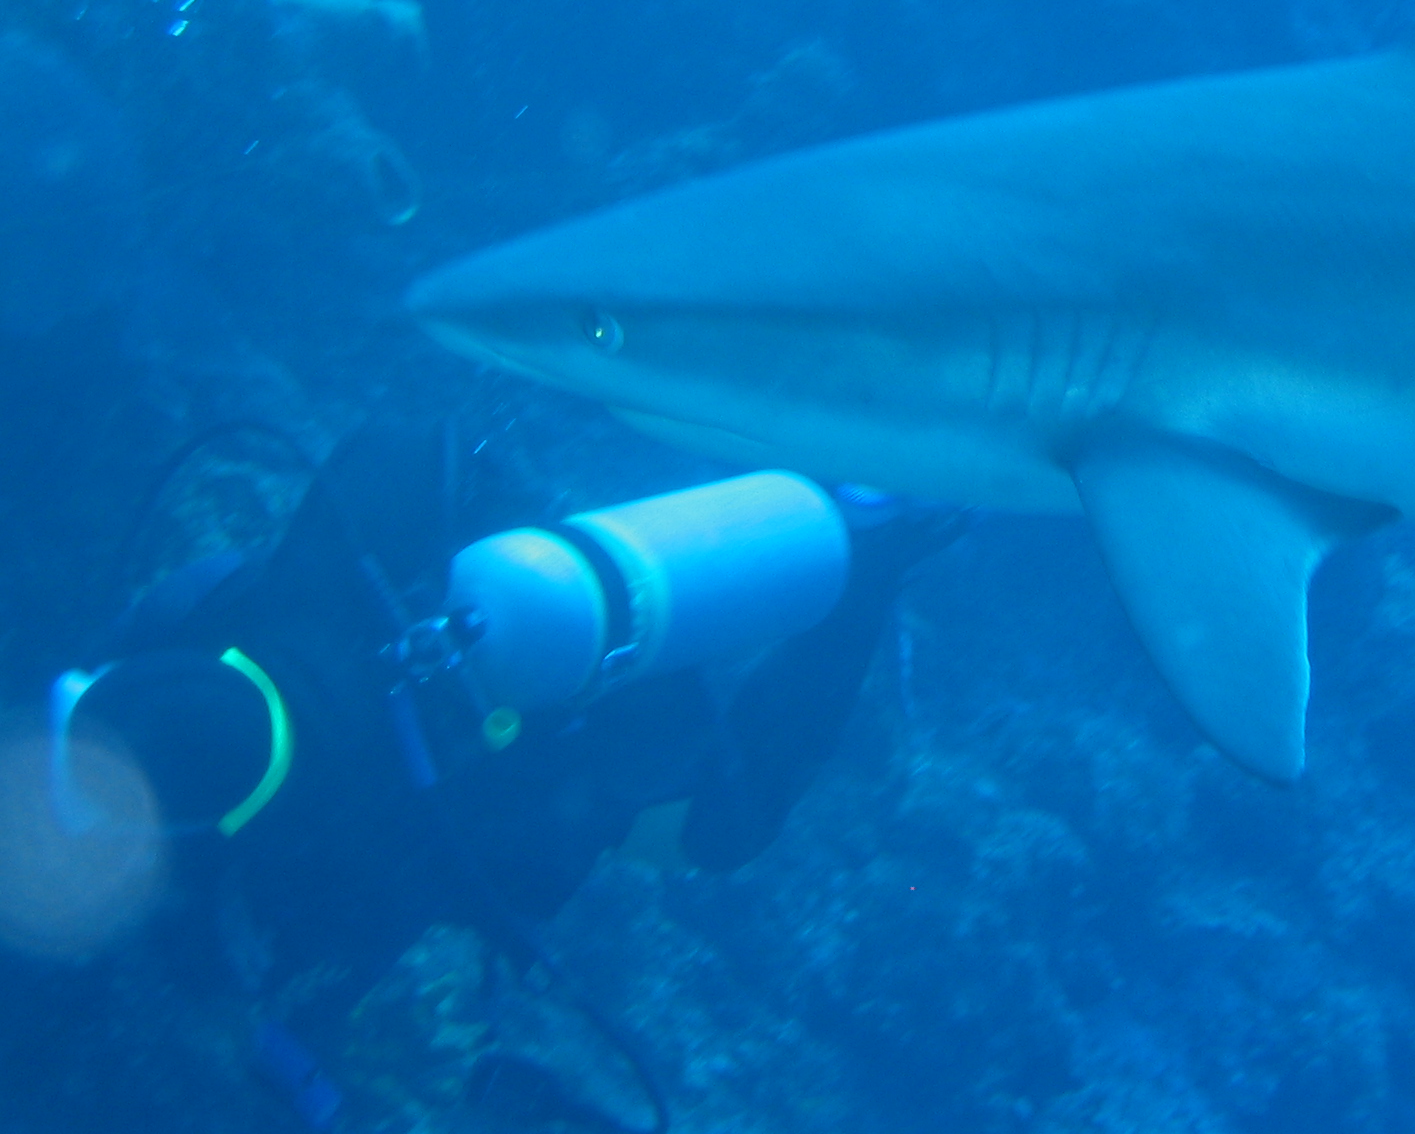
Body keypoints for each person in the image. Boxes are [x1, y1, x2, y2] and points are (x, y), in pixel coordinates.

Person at [37, 417, 960, 1131]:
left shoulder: (345, 857)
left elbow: (385, 946)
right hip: (476, 581)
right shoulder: (184, 621)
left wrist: (224, 1002)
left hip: (556, 730)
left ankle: (871, 562)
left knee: (716, 835)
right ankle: (834, 510)